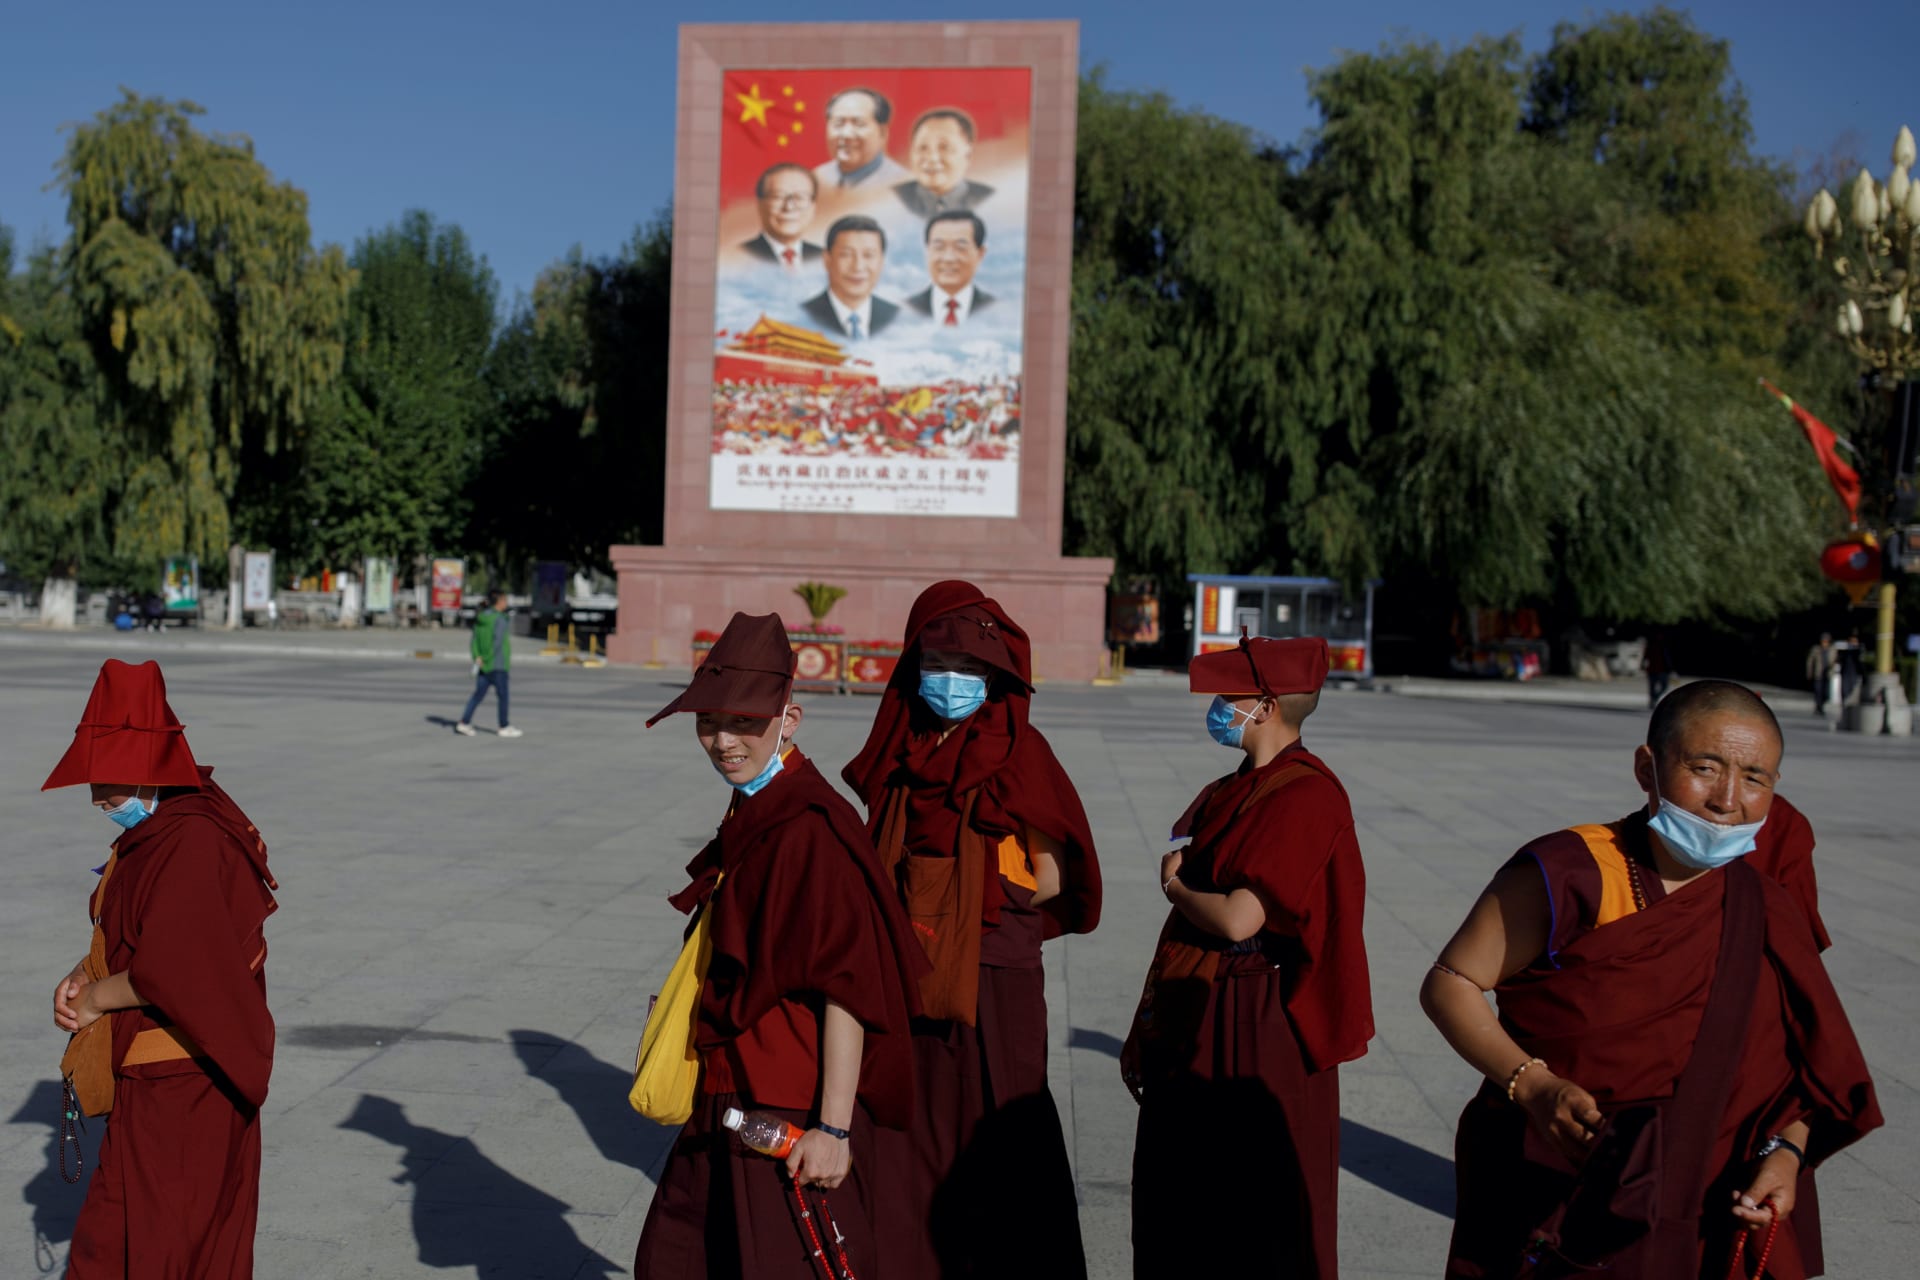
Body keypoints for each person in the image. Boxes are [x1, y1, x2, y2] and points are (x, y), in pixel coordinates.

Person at [1422, 680, 1881, 1279]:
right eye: (1704, 767)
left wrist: (1788, 1153)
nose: (1728, 798)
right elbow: (1451, 981)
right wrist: (1532, 1087)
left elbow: (1799, 1057)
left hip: (1712, 1192)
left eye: (1756, 779)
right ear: (1648, 767)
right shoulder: (1572, 869)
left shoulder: (1764, 902)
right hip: (1570, 1172)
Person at [633, 612, 926, 1279]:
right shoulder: (757, 803)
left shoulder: (811, 826)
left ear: (788, 720)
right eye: (709, 723)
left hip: (783, 1101)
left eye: (744, 723)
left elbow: (848, 988)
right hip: (727, 1084)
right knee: (677, 1259)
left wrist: (834, 1130)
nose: (723, 741)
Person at [842, 580, 1103, 1279]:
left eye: (969, 671)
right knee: (912, 1122)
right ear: (914, 668)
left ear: (994, 678)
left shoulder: (1019, 751)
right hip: (908, 964)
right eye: (938, 667)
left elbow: (1050, 876)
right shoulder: (904, 746)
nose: (951, 682)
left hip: (994, 969)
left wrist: (968, 901)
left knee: (1000, 1128)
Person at [1122, 635, 1373, 1278]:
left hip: (1257, 1017)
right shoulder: (1228, 788)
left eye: (1225, 697)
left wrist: (1176, 885)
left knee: (1254, 1214)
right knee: (1181, 1205)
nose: (1215, 707)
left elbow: (1238, 918)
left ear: (1263, 705)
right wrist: (1145, 1029)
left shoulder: (1308, 794)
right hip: (1200, 1003)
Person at [45, 659, 278, 1278]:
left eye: (110, 785)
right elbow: (135, 930)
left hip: (187, 1081)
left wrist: (96, 1001)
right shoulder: (164, 824)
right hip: (155, 1078)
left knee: (159, 1244)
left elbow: (174, 969)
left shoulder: (192, 839)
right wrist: (82, 974)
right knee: (130, 1235)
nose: (98, 799)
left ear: (151, 773)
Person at [799, 216, 898, 339]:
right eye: (846, 255)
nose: (858, 267)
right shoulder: (804, 315)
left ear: (881, 262)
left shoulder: (895, 316)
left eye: (868, 255)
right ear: (827, 260)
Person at [892, 108, 996, 217]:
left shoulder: (991, 201)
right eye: (922, 147)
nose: (932, 158)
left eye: (944, 147)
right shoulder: (894, 199)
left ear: (968, 155)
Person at [905, 210, 995, 327]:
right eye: (939, 247)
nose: (948, 258)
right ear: (927, 251)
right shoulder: (907, 309)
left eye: (960, 248)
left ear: (980, 254)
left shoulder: (994, 308)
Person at [811, 87, 910, 191]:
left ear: (882, 132)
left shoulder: (904, 187)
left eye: (859, 124)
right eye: (838, 123)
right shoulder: (816, 180)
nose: (846, 134)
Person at [455, 589, 521, 738]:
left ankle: (464, 722)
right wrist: (488, 658)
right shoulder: (500, 619)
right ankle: (503, 726)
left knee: (477, 695)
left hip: (482, 665)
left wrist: (477, 657)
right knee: (503, 696)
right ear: (499, 602)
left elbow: (474, 641)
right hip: (498, 664)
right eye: (504, 600)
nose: (506, 603)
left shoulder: (481, 618)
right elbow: (497, 643)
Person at [740, 163, 822, 271]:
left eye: (800, 197)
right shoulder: (739, 256)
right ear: (760, 205)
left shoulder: (823, 258)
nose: (789, 207)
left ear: (813, 207)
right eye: (777, 196)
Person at [1805, 632, 1835, 714]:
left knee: (1826, 693)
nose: (1825, 643)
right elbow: (1810, 661)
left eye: (1826, 641)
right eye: (1823, 641)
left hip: (1827, 674)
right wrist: (1809, 672)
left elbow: (1834, 660)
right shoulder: (1816, 649)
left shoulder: (1832, 649)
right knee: (1818, 691)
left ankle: (1821, 705)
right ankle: (1819, 707)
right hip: (1818, 673)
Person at [1641, 629, 1673, 708]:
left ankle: (1654, 698)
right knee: (1652, 687)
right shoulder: (1651, 646)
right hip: (1653, 670)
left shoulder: (1664, 646)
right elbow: (1645, 656)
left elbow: (1667, 659)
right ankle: (1653, 700)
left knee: (1664, 686)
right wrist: (1642, 665)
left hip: (1662, 670)